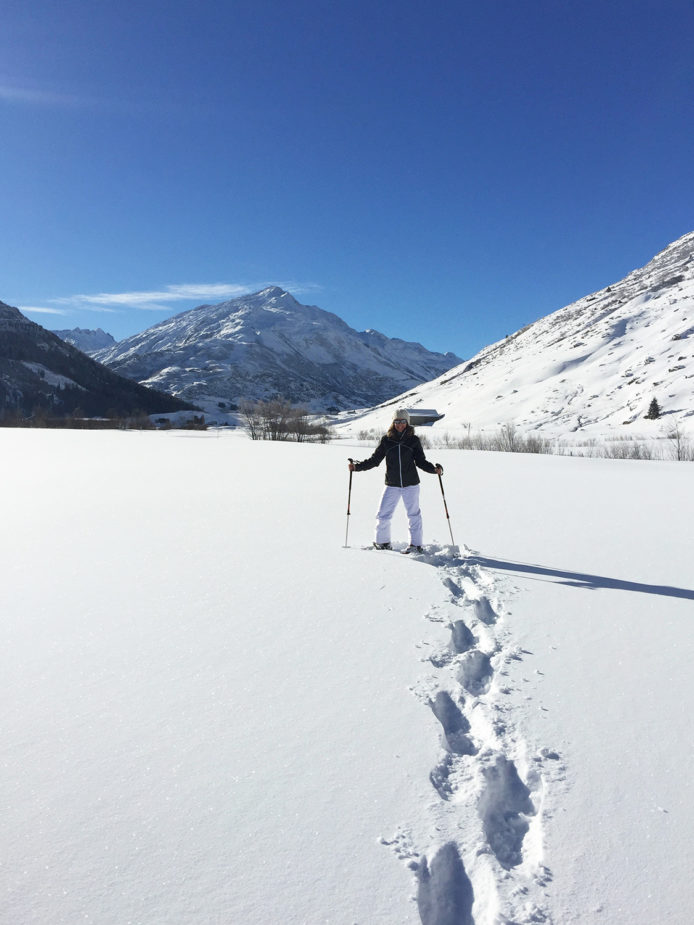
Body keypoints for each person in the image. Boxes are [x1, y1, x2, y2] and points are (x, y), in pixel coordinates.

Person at [349, 408, 443, 553]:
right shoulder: (386, 440)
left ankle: (415, 545)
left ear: (407, 422)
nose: (400, 424)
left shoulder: (413, 440)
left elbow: (421, 461)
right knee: (383, 514)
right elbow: (375, 460)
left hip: (411, 484)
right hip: (392, 484)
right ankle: (383, 542)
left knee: (413, 515)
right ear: (393, 423)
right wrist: (357, 467)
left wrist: (433, 469)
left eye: (403, 421)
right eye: (397, 421)